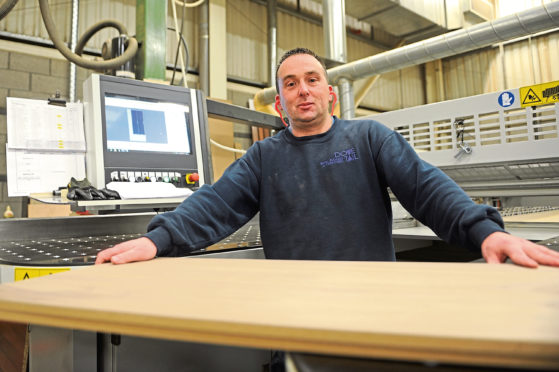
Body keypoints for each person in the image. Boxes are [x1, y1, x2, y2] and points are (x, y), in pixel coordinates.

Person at [96, 47, 559, 268]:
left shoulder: (370, 138)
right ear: (278, 105)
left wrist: (484, 233)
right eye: (290, 83)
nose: (303, 90)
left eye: (312, 79)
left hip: (374, 302)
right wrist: (155, 240)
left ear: (330, 94)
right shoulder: (263, 157)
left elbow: (427, 189)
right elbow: (214, 205)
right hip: (292, 306)